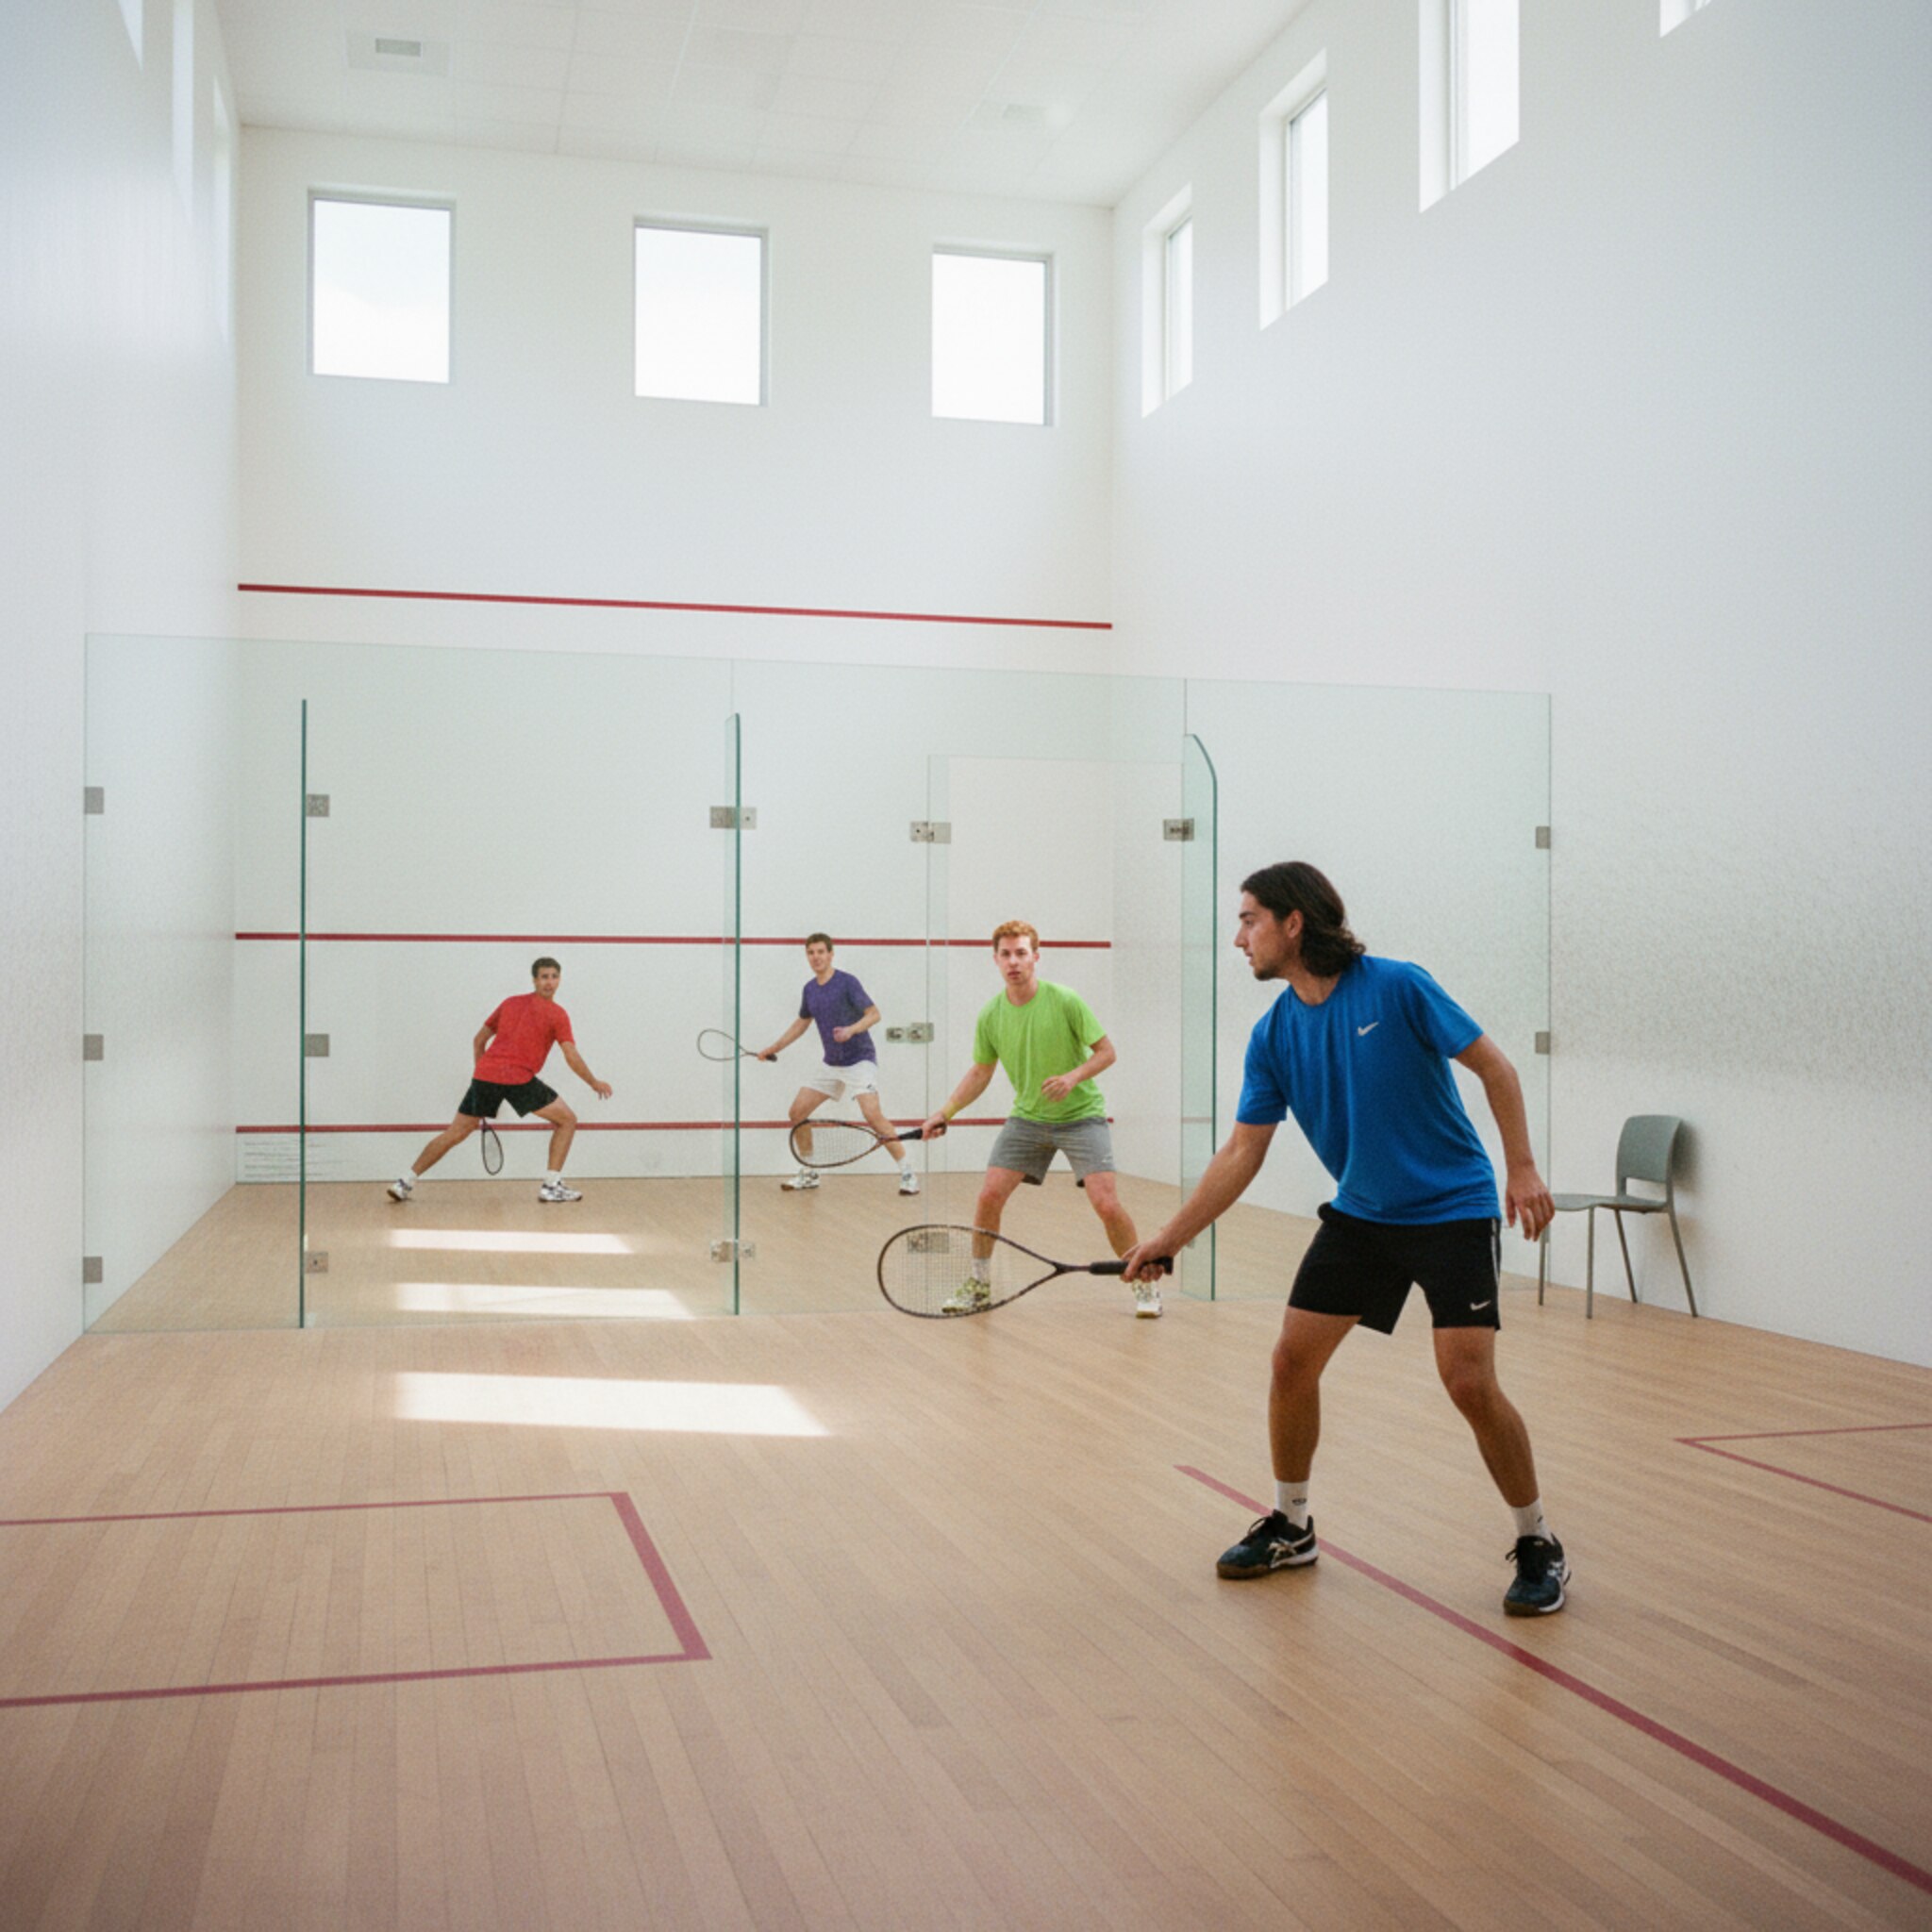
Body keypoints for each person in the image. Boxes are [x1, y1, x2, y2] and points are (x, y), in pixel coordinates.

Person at [1122, 862, 1566, 1615]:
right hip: (1362, 1214)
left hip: (1452, 1207)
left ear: (1294, 923)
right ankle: (1293, 1526)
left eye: (1249, 919)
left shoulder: (1397, 987)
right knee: (1291, 1361)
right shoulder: (1274, 1034)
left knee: (1467, 1380)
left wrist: (1521, 1168)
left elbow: (1495, 1066)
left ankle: (1537, 1540)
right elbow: (1241, 1153)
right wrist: (1171, 1236)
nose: (1238, 938)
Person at [922, 920, 1159, 1318]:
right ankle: (979, 1284)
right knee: (988, 1196)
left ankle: (1143, 1282)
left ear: (1036, 957)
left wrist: (1072, 1077)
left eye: (1021, 953)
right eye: (1005, 954)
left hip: (1082, 1117)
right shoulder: (991, 1015)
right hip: (1028, 1120)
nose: (1013, 962)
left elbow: (1106, 1052)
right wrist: (944, 1113)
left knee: (1105, 1203)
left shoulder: (1065, 1000)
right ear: (994, 960)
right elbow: (981, 1071)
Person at [386, 956, 612, 1205]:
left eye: (554, 977)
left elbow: (479, 1041)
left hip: (486, 1076)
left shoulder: (510, 1003)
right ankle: (551, 1185)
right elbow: (570, 1054)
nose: (549, 982)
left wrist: (481, 1078)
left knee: (456, 1132)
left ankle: (405, 1182)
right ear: (534, 980)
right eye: (544, 977)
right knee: (567, 1120)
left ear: (559, 979)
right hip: (517, 1078)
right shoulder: (557, 1014)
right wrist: (593, 1082)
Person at [761, 934, 918, 1198]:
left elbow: (874, 1014)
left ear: (831, 954)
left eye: (821, 951)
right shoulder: (809, 989)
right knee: (797, 1112)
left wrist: (851, 1030)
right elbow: (801, 1023)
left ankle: (908, 1172)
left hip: (859, 1059)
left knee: (872, 1114)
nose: (816, 957)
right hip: (831, 1063)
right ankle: (810, 1172)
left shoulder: (847, 982)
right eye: (811, 952)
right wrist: (774, 1048)